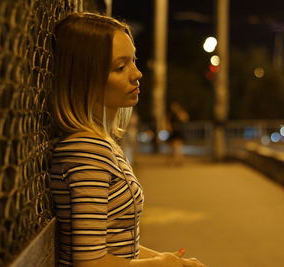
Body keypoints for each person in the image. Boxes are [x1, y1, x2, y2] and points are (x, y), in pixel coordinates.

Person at [50, 12, 206, 267]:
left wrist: (164, 259)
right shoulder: (87, 150)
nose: (137, 74)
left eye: (134, 61)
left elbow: (116, 246)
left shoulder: (101, 143)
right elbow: (90, 262)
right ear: (85, 78)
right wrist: (164, 265)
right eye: (120, 67)